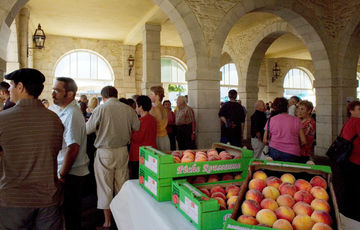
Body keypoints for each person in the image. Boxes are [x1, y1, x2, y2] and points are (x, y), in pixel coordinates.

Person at [0, 68, 63, 230]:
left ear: (20, 87)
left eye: (11, 86)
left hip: (14, 200)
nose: (9, 91)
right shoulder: (54, 119)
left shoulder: (3, 119)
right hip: (48, 198)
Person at [86, 86, 139, 229]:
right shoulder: (128, 109)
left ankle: (107, 222)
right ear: (116, 95)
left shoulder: (100, 109)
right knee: (122, 186)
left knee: (105, 187)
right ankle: (123, 221)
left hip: (105, 152)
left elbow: (87, 129)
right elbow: (137, 126)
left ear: (103, 97)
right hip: (122, 150)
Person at [52, 77, 90, 230]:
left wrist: (62, 174)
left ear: (70, 94)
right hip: (68, 171)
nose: (53, 93)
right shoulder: (67, 112)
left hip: (71, 174)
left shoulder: (72, 114)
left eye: (57, 90)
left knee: (70, 215)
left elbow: (72, 147)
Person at [263, 97, 307, 163]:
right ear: (287, 107)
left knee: (274, 172)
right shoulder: (296, 120)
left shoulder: (271, 120)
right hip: (292, 152)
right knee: (290, 172)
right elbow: (303, 141)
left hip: (274, 150)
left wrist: (275, 142)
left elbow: (265, 140)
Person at [340, 100, 360, 221]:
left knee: (349, 185)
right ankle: (353, 212)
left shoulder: (349, 121)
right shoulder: (357, 122)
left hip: (346, 159)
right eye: (359, 109)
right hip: (355, 159)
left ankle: (346, 210)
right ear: (351, 111)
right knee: (355, 187)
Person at [129, 96, 157, 179]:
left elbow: (137, 138)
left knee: (137, 179)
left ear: (140, 106)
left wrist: (130, 132)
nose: (136, 108)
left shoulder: (141, 121)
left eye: (137, 106)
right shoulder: (153, 119)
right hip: (151, 151)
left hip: (139, 154)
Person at [149, 86, 170, 151]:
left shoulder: (155, 109)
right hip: (165, 136)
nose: (149, 96)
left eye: (151, 94)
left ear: (157, 96)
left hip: (158, 137)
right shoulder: (164, 108)